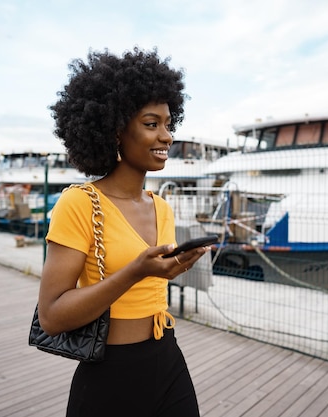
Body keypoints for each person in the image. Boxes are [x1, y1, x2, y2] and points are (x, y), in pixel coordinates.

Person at [38, 47, 208, 416]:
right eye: (151, 124)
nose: (166, 136)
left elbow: (151, 290)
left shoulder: (161, 206)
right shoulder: (80, 203)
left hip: (168, 359)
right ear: (116, 130)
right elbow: (51, 316)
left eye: (168, 123)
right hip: (108, 374)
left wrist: (174, 267)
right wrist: (135, 271)